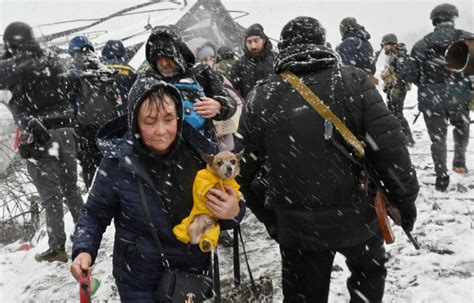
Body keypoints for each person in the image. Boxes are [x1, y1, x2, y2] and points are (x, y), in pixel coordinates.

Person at [236, 17, 419, 302]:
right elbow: (391, 149)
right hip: (358, 214)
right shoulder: (353, 80)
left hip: (298, 229)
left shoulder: (262, 94)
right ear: (322, 42)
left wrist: (273, 219)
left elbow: (243, 171)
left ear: (282, 47)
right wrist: (405, 200)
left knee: (304, 295)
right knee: (368, 276)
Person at [70, 77, 245, 301]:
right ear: (135, 122)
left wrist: (233, 212)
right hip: (139, 281)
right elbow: (94, 214)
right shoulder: (117, 163)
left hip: (190, 276)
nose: (161, 130)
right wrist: (83, 249)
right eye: (150, 121)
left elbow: (235, 204)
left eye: (168, 119)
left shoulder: (203, 156)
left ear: (179, 118)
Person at [0, 22, 84, 262]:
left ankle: (57, 246)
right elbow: (73, 84)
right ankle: (86, 234)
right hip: (66, 129)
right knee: (70, 186)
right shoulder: (54, 59)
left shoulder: (13, 66)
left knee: (50, 195)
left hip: (39, 134)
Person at [406, 3, 472, 191]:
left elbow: (411, 74)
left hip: (431, 100)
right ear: (453, 18)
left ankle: (441, 176)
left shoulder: (421, 44)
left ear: (434, 20)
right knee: (461, 125)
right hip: (459, 96)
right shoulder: (468, 39)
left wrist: (429, 86)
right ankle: (459, 160)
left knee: (437, 138)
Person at [143, 26, 236, 140]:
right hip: (161, 148)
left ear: (178, 54)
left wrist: (219, 105)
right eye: (157, 58)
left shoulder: (201, 72)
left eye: (168, 57)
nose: (163, 63)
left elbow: (230, 102)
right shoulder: (146, 80)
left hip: (202, 148)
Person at [68, 35, 121, 189]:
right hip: (109, 126)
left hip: (85, 127)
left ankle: (94, 194)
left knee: (89, 166)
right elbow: (117, 100)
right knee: (111, 163)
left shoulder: (75, 73)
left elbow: (70, 102)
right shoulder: (105, 71)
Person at [380, 33, 416, 146]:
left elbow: (401, 74)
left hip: (398, 88)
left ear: (393, 45)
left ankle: (408, 138)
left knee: (398, 113)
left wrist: (396, 87)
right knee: (392, 112)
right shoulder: (391, 55)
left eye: (386, 45)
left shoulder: (399, 55)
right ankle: (399, 137)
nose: (384, 47)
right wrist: (387, 86)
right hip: (393, 87)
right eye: (383, 45)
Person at [229, 23, 275, 99]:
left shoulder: (276, 59)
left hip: (276, 108)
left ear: (263, 40)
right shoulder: (239, 65)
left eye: (256, 41)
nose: (253, 46)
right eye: (249, 42)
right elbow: (230, 89)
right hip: (251, 109)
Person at [101, 39, 137, 113]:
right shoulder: (131, 70)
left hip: (105, 112)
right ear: (123, 52)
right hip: (126, 111)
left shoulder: (100, 69)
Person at [336, 17, 377, 81]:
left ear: (343, 29)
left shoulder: (349, 42)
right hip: (367, 82)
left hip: (354, 84)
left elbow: (346, 69)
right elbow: (372, 68)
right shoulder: (366, 43)